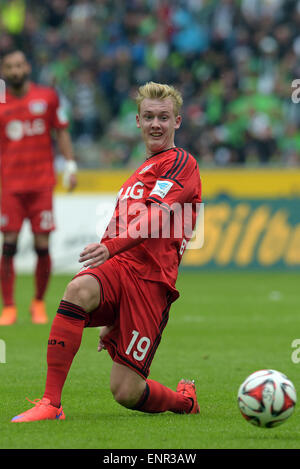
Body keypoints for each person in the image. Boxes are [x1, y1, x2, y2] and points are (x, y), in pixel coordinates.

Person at [11, 81, 202, 422]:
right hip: (121, 268)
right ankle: (51, 404)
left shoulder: (181, 163)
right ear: (138, 122)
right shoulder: (137, 174)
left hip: (151, 284)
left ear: (177, 122)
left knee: (126, 392)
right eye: (148, 117)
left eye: (163, 117)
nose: (155, 124)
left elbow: (156, 217)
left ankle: (184, 401)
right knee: (78, 289)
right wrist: (109, 308)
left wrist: (110, 247)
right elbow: (120, 227)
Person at [0, 49, 77, 326]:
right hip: (9, 185)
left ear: (27, 66)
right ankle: (8, 306)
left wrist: (70, 165)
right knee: (8, 245)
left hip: (41, 184)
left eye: (20, 64)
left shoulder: (47, 96)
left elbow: (62, 131)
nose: (16, 70)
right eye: (10, 66)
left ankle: (37, 302)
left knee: (41, 245)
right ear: (4, 72)